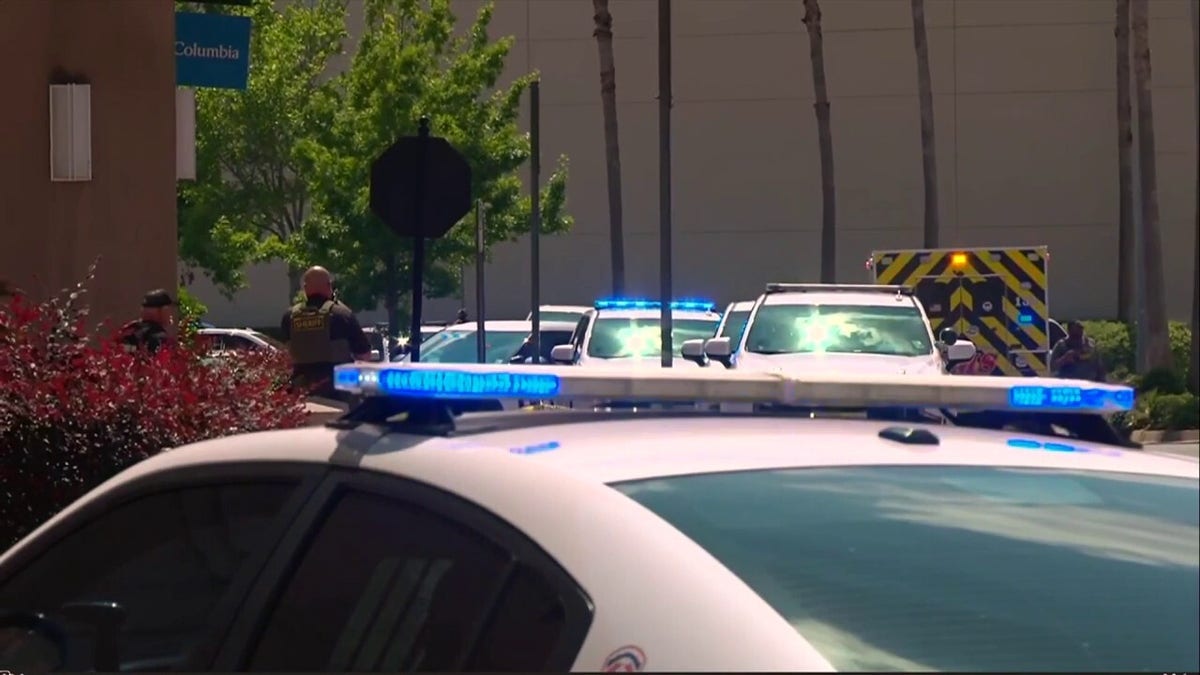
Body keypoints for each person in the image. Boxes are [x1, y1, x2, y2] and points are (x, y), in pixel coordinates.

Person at [280, 266, 371, 399]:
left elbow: (286, 354)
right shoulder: (342, 314)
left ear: (305, 288)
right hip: (339, 394)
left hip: (301, 394)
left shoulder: (289, 317)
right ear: (329, 286)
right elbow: (364, 354)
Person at [119, 289, 175, 354]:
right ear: (163, 311)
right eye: (169, 309)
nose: (171, 314)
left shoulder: (127, 331)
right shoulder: (160, 337)